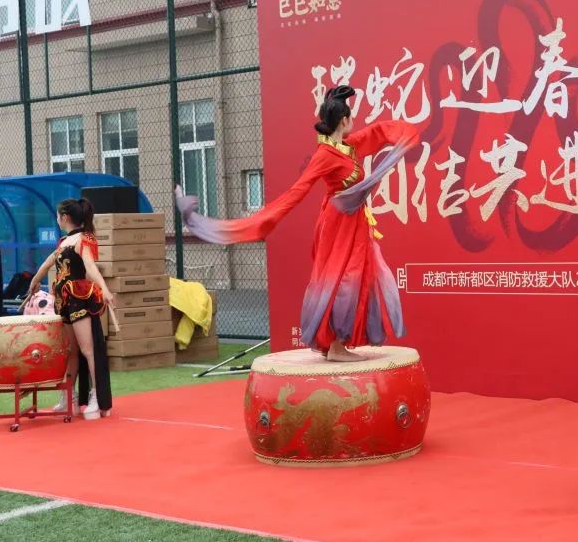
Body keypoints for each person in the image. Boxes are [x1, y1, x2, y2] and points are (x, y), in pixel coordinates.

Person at [176, 85, 416, 362]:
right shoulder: (325, 154)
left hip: (356, 224)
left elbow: (377, 133)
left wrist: (406, 134)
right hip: (338, 226)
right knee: (342, 278)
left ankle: (336, 343)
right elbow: (297, 191)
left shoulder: (348, 146)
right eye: (351, 117)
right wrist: (266, 218)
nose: (354, 122)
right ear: (344, 120)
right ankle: (335, 346)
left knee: (358, 276)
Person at [28, 199, 114, 420]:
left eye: (58, 216)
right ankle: (70, 397)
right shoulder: (64, 241)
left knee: (88, 350)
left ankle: (96, 397)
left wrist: (104, 289)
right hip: (64, 301)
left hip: (79, 299)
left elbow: (90, 267)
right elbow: (48, 262)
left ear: (64, 217)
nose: (57, 219)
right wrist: (34, 282)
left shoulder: (84, 239)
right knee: (71, 351)